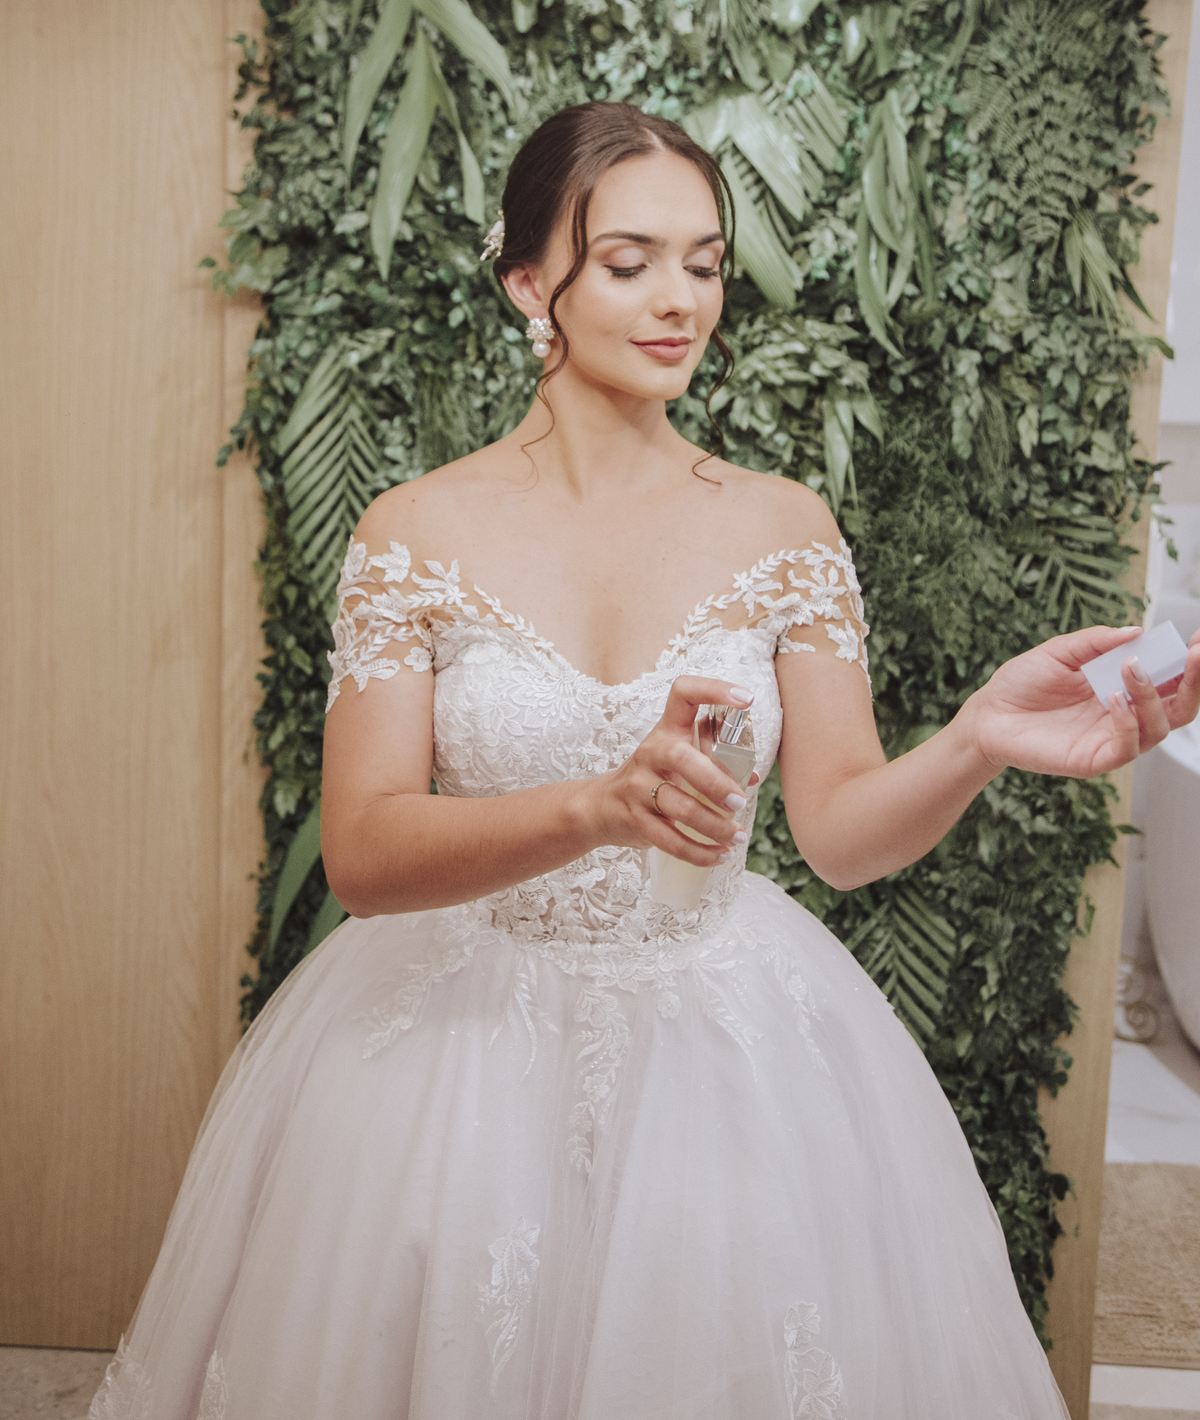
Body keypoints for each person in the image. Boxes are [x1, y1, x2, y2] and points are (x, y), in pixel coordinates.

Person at [92, 102, 1200, 1420]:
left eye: (706, 263)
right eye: (629, 263)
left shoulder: (785, 528)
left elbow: (840, 836)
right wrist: (595, 806)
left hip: (719, 1048)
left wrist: (974, 741)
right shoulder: (414, 533)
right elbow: (367, 855)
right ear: (529, 285)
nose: (682, 299)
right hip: (455, 1056)